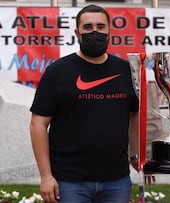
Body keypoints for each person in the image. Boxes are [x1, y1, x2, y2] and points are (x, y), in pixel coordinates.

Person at [29, 5, 139, 203]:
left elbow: (134, 114)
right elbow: (38, 123)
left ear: (109, 32)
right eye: (87, 27)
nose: (94, 32)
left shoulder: (127, 71)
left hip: (117, 180)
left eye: (100, 26)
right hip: (69, 182)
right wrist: (46, 176)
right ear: (77, 32)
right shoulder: (57, 72)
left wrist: (136, 155)